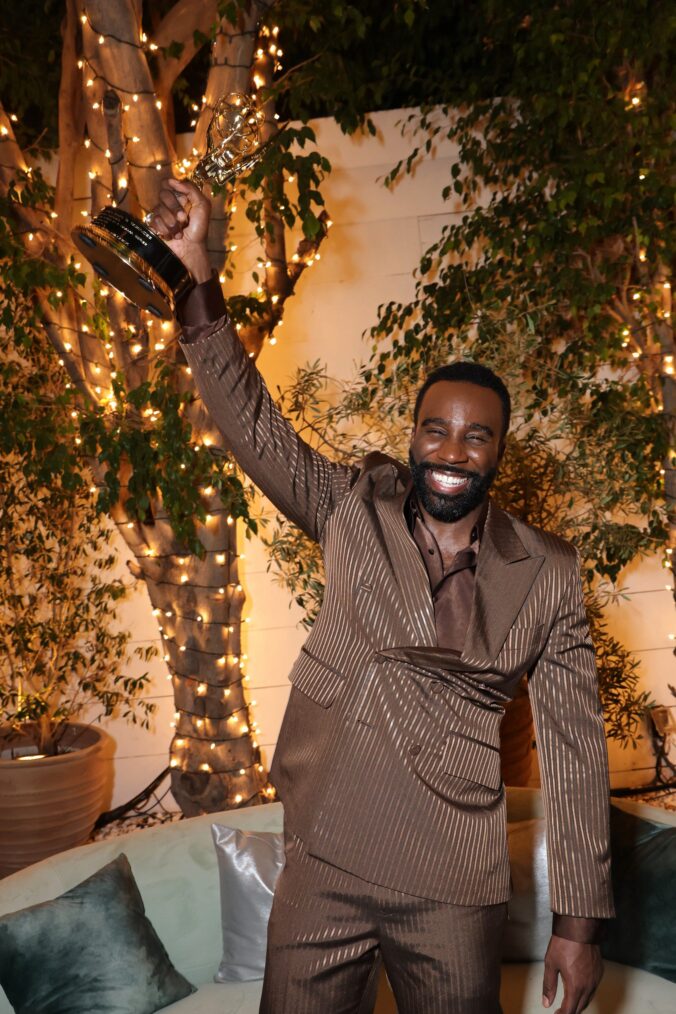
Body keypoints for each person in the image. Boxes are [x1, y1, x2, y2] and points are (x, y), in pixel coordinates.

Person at [150, 178, 614, 1014]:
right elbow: (252, 420)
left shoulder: (547, 572)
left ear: (500, 452)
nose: (452, 449)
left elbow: (576, 753)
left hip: (451, 884)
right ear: (412, 436)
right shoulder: (350, 507)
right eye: (436, 428)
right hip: (325, 857)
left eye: (477, 435)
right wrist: (195, 281)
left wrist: (579, 926)